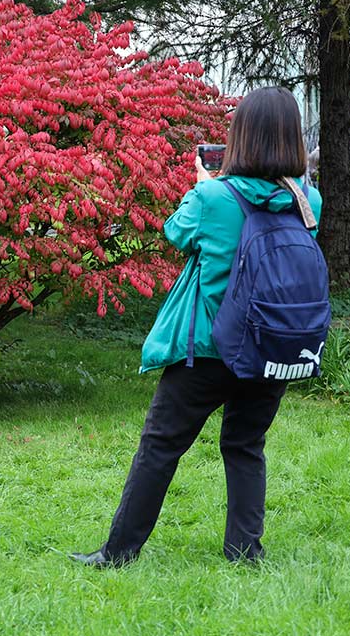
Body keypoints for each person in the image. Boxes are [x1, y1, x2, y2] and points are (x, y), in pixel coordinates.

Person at [70, 87, 324, 566]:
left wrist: (207, 181)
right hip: (270, 347)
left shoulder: (212, 196)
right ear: (292, 139)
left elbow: (175, 233)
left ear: (240, 137)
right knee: (246, 445)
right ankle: (244, 552)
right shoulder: (309, 200)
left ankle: (119, 552)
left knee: (161, 445)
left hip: (207, 348)